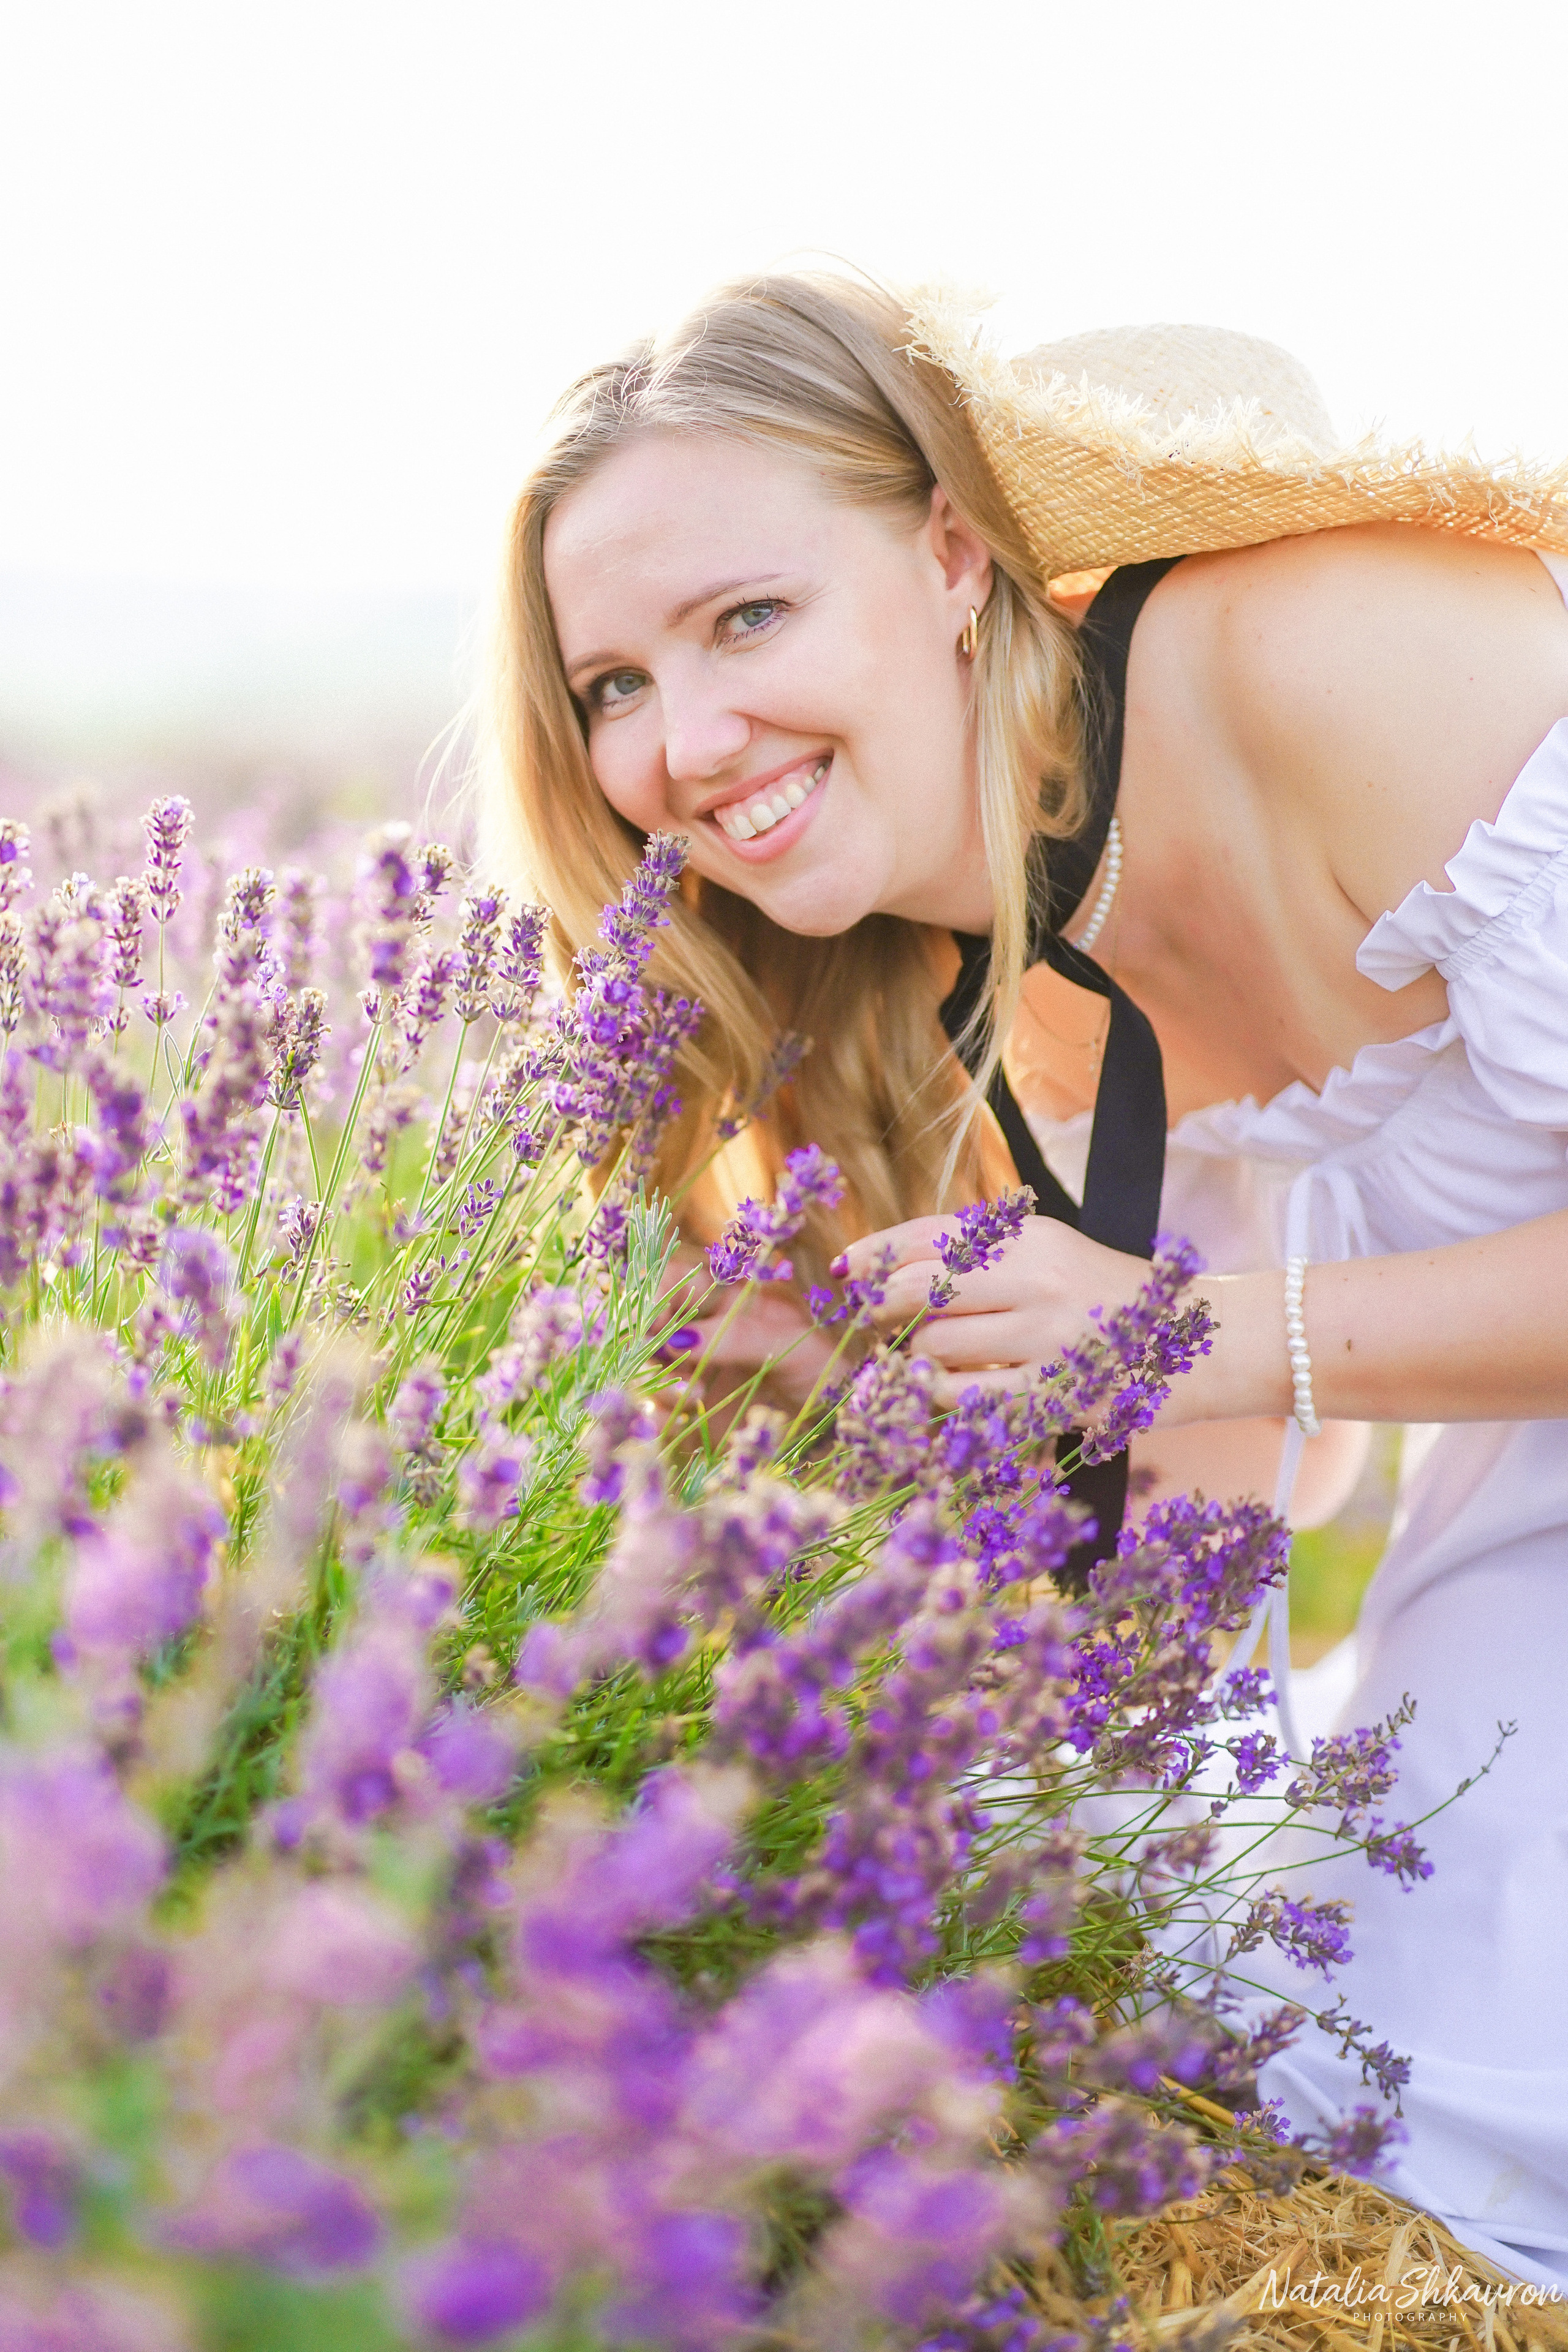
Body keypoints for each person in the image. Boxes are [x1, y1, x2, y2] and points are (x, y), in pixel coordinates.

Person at [478, 272, 1568, 2287]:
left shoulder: (1339, 662)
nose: (689, 743)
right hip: (1513, 1513)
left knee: (1489, 2114)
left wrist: (1186, 1334)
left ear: (955, 555)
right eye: (613, 684)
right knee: (1249, 2014)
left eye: (748, 618)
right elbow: (1266, 1489)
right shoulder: (967, 973)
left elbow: (1268, 1356)